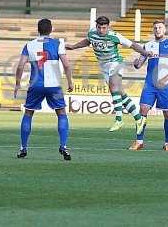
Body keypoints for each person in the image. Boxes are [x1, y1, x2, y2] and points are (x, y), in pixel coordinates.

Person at [65, 16, 151, 132]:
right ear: (96, 27)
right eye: (99, 27)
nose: (101, 30)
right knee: (120, 94)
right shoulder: (92, 33)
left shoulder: (114, 36)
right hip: (103, 66)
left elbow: (132, 45)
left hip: (115, 63)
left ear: (108, 27)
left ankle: (119, 119)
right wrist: (74, 47)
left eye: (104, 28)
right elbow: (87, 41)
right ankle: (139, 118)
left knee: (113, 87)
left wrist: (145, 52)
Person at [14, 18, 74, 160]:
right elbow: (66, 65)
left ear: (38, 30)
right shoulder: (58, 43)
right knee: (61, 113)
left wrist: (17, 83)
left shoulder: (29, 45)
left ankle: (23, 148)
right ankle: (63, 146)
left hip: (36, 85)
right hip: (54, 86)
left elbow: (20, 65)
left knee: (28, 113)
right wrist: (70, 82)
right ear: (51, 29)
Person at [129, 20, 168, 151]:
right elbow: (139, 64)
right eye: (155, 28)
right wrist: (136, 63)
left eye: (160, 27)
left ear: (164, 30)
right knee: (142, 111)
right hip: (150, 85)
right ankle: (139, 141)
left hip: (165, 85)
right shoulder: (147, 45)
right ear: (153, 30)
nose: (157, 29)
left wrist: (166, 79)